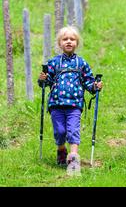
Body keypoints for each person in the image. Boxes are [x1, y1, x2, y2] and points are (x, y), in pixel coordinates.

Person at [38, 26, 103, 175]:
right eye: (65, 39)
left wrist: (95, 86)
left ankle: (73, 161)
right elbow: (46, 82)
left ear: (77, 43)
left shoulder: (81, 63)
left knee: (73, 131)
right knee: (60, 132)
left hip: (74, 105)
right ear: (60, 43)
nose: (68, 42)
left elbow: (88, 82)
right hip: (56, 104)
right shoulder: (54, 62)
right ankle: (61, 149)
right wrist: (42, 79)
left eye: (72, 39)